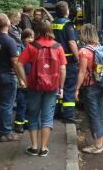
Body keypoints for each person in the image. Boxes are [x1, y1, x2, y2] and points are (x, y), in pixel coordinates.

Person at [17, 20, 66, 157]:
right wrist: (61, 87)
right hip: (52, 87)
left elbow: (19, 63)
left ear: (36, 30)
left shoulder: (32, 46)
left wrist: (24, 80)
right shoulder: (58, 47)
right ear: (51, 30)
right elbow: (62, 69)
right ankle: (44, 148)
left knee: (33, 115)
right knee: (47, 117)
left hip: (34, 85)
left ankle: (33, 147)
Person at [0, 13, 24, 142]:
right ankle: (7, 132)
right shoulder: (9, 41)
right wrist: (20, 79)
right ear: (7, 23)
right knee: (7, 105)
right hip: (7, 76)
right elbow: (14, 61)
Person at [75, 24, 103, 154]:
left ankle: (98, 146)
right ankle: (100, 142)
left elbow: (82, 72)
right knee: (99, 113)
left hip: (90, 86)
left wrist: (76, 89)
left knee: (93, 115)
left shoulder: (83, 51)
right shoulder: (100, 48)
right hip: (101, 84)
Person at [52, 1, 79, 123]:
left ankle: (56, 112)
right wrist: (78, 57)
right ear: (67, 11)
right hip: (68, 60)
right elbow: (72, 42)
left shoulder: (53, 23)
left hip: (54, 59)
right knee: (69, 88)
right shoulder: (68, 24)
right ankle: (68, 116)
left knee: (58, 86)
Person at [14, 28, 34, 133]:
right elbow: (17, 65)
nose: (31, 39)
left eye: (32, 37)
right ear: (23, 38)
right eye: (28, 37)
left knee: (29, 103)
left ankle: (26, 122)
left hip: (30, 79)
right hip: (23, 79)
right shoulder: (19, 48)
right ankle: (19, 124)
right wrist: (20, 79)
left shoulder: (32, 48)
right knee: (22, 102)